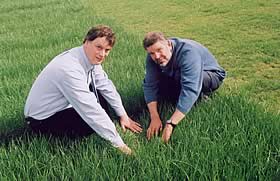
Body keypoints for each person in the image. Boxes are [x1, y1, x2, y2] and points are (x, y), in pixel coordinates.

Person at [24, 25, 142, 155]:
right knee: (90, 123)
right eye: (98, 47)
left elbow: (106, 86)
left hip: (59, 106)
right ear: (86, 42)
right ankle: (100, 133)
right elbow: (90, 108)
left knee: (100, 97)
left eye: (107, 50)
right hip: (41, 120)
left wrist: (123, 115)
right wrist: (120, 145)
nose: (102, 54)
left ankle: (108, 126)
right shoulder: (69, 69)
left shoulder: (89, 58)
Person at [143, 32, 226, 143]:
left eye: (159, 50)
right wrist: (154, 117)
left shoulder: (187, 52)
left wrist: (171, 123)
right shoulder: (152, 58)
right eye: (152, 53)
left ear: (168, 44)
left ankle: (200, 97)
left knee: (184, 79)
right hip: (180, 75)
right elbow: (149, 85)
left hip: (211, 75)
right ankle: (183, 97)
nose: (156, 56)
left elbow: (190, 87)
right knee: (161, 85)